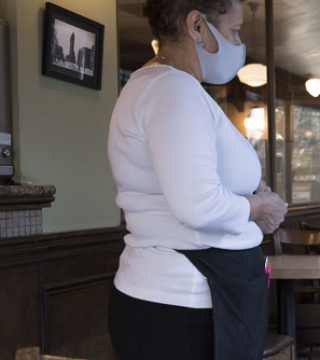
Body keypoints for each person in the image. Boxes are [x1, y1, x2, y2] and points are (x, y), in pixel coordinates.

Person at [106, 1, 288, 359]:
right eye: (234, 31)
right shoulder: (173, 89)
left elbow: (190, 183)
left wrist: (246, 195)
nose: (238, 43)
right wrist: (258, 206)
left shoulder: (160, 87)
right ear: (197, 26)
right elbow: (198, 205)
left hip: (187, 298)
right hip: (182, 303)